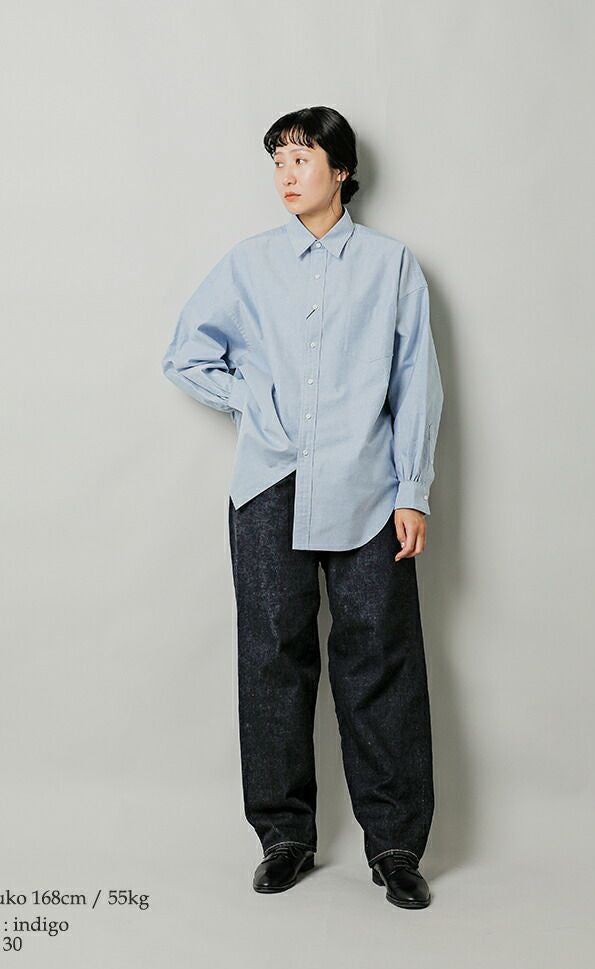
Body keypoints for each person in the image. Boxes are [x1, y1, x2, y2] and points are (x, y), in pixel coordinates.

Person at [161, 106, 443, 909]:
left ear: (341, 170)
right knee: (272, 659)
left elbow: (416, 382)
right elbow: (185, 355)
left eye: (302, 158)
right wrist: (252, 401)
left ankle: (395, 847)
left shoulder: (391, 266)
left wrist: (413, 490)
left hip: (368, 487)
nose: (287, 175)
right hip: (269, 489)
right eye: (278, 162)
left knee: (380, 659)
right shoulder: (249, 264)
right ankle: (283, 837)